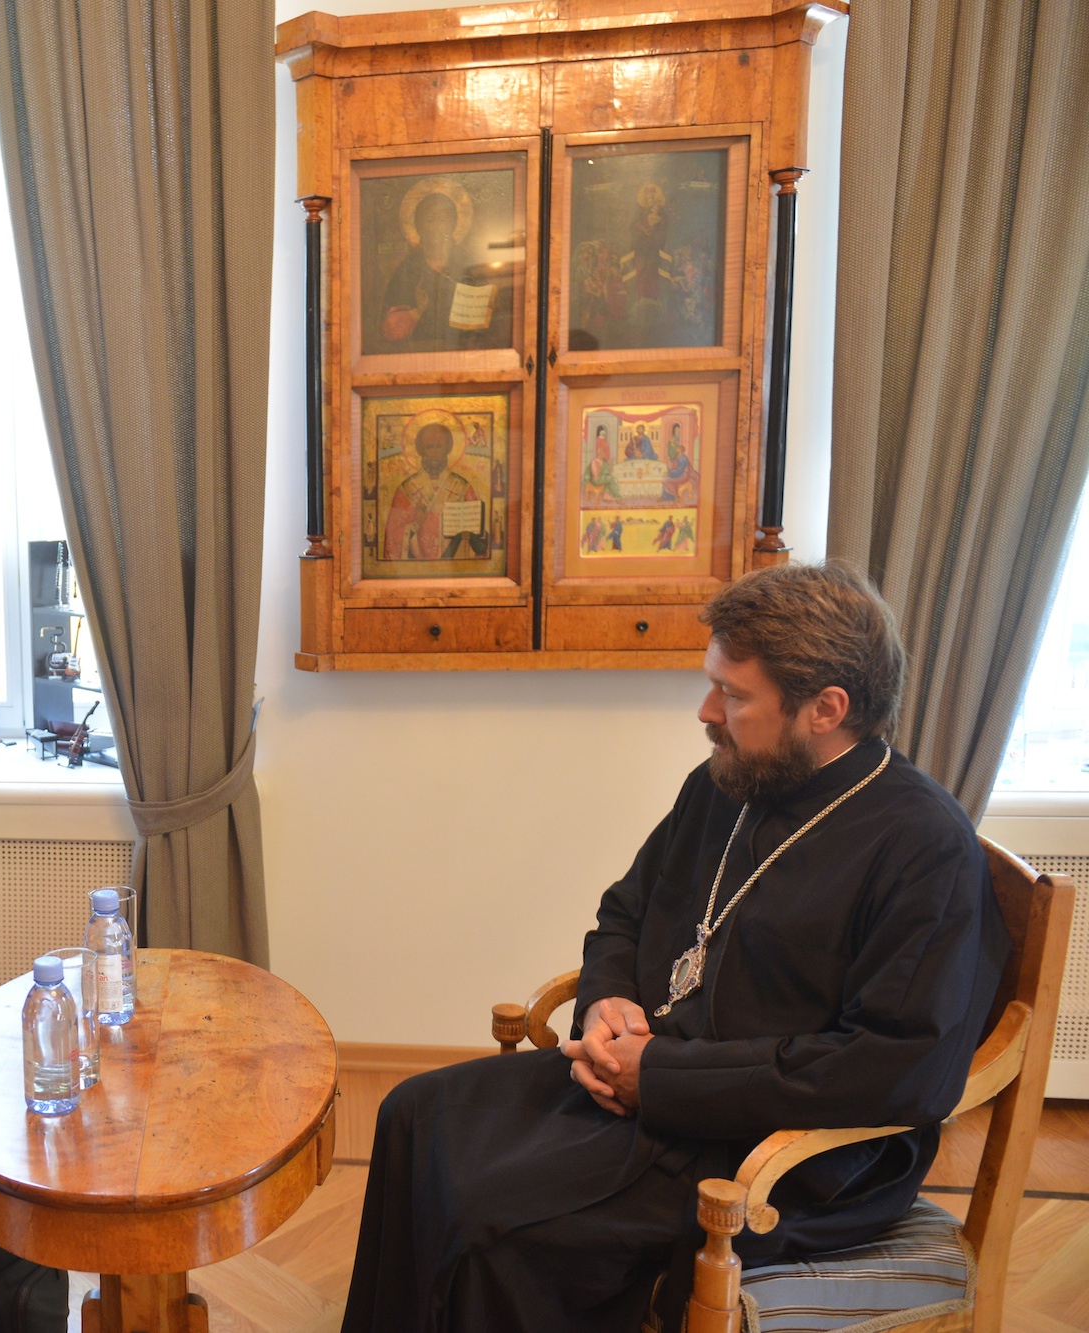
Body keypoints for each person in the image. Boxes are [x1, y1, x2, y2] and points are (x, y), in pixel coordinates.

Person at [340, 562, 1008, 1333]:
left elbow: (897, 1069)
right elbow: (625, 910)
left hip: (781, 1154)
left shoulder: (924, 848)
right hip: (651, 1084)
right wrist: (605, 1003)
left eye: (734, 693)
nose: (706, 710)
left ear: (826, 708)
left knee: (497, 1226)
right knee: (414, 1113)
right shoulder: (727, 781)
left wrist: (657, 1074)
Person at [381, 423, 483, 561]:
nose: (435, 453)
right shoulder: (407, 489)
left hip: (454, 568)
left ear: (448, 448)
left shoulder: (462, 487)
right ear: (420, 450)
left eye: (439, 446)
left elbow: (477, 536)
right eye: (429, 447)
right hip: (416, 571)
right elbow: (392, 539)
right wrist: (416, 523)